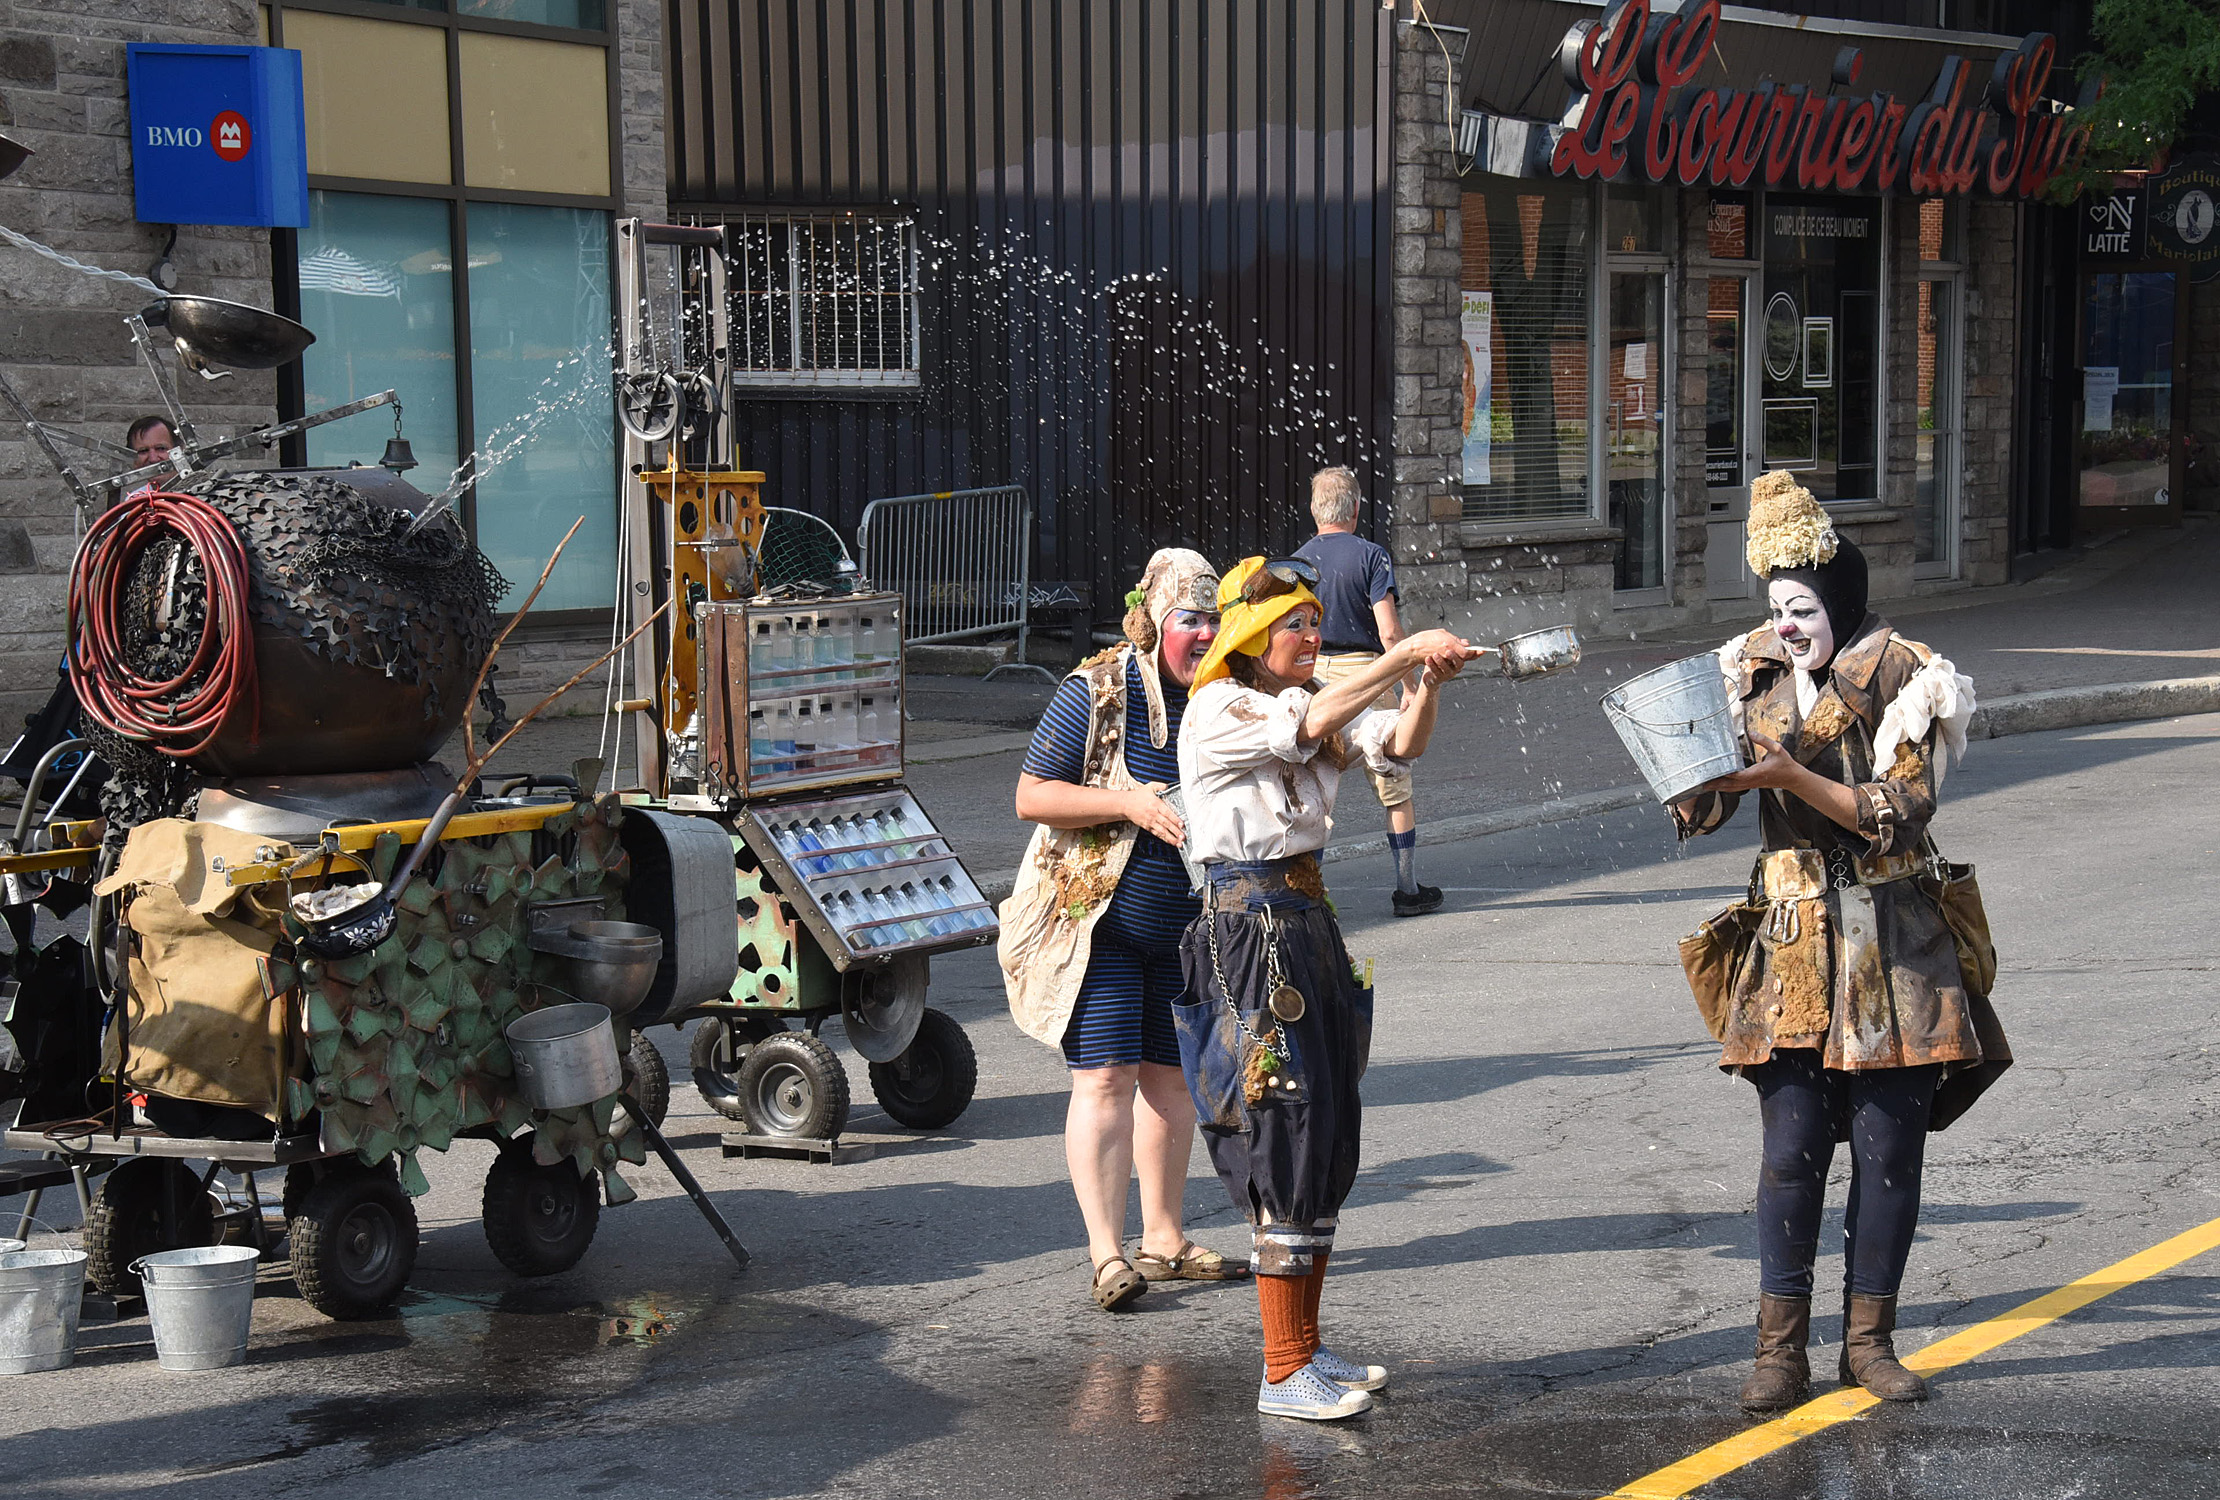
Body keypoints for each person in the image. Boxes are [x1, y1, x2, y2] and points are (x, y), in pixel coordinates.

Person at [1670, 471, 2011, 1414]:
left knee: (1888, 1150)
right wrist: (1689, 779)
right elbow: (1702, 805)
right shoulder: (1746, 669)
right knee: (1789, 1153)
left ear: (1841, 599)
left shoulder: (1906, 671)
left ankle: (1871, 1343)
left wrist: (1789, 776)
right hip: (1790, 944)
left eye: (1804, 606)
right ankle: (1779, 1354)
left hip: (1895, 945)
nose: (1788, 624)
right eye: (1777, 606)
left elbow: (1901, 813)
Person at [1175, 555, 1481, 1420]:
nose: (1312, 636)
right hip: (1248, 933)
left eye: (1315, 623)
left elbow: (1396, 743)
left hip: (1303, 924)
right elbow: (1310, 721)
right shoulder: (1217, 706)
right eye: (1295, 626)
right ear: (1248, 638)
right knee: (1280, 1126)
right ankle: (1280, 1370)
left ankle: (1305, 1351)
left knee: (1327, 1128)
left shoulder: (1294, 705)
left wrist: (1427, 681)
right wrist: (1401, 650)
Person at [1000, 547, 1247, 1312]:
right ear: (1155, 620)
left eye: (1214, 619)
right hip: (1099, 928)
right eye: (1189, 620)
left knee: (1173, 1084)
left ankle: (1165, 1238)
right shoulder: (1097, 689)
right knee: (1104, 1080)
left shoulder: (1223, 692)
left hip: (1185, 926)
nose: (1205, 635)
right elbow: (1031, 795)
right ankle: (1108, 1254)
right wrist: (1127, 802)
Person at [1293, 467, 1438, 916]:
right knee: (1392, 777)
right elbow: (1390, 633)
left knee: (1309, 783)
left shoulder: (1297, 562)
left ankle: (1308, 892)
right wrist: (1409, 684)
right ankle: (1406, 887)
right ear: (1355, 510)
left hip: (1314, 677)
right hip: (1367, 674)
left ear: (1315, 512)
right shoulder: (1372, 556)